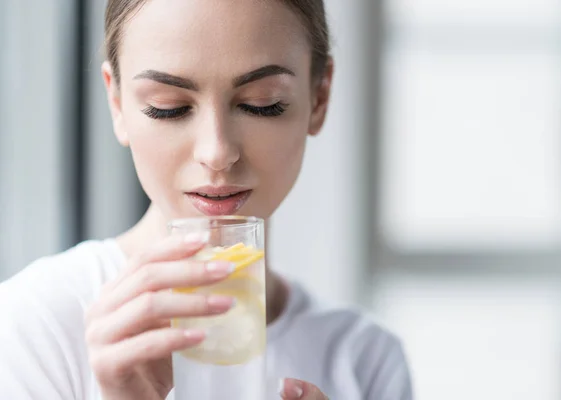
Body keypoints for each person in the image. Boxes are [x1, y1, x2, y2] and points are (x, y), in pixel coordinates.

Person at [0, 0, 413, 399]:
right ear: (117, 103)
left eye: (262, 105)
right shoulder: (35, 327)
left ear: (319, 97)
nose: (216, 152)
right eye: (169, 108)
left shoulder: (366, 361)